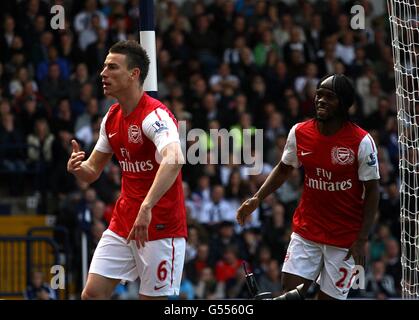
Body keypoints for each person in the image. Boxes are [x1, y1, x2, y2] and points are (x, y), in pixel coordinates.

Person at [237, 74, 380, 300]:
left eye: (329, 97)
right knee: (289, 294)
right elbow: (284, 168)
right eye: (318, 95)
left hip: (345, 240)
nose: (320, 100)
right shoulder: (300, 132)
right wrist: (257, 198)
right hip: (307, 231)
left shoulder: (362, 142)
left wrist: (362, 238)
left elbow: (372, 190)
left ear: (343, 103)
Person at [67, 40, 187, 300]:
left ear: (134, 74)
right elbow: (92, 172)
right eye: (104, 67)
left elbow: (175, 159)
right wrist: (78, 167)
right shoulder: (111, 117)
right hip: (123, 223)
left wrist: (147, 207)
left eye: (112, 67)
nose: (103, 73)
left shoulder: (155, 116)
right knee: (92, 295)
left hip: (160, 226)